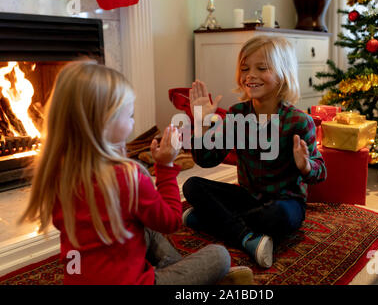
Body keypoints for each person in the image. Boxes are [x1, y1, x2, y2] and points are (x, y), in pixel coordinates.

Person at [19, 61, 253, 285]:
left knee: (145, 225)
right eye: (130, 116)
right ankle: (196, 278)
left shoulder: (59, 173)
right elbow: (171, 221)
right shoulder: (128, 176)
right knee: (219, 256)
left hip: (78, 279)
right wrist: (165, 167)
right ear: (105, 123)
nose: (133, 123)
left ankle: (183, 273)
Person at [182, 35, 327, 268]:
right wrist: (200, 122)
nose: (250, 75)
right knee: (192, 185)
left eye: (261, 68)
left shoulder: (300, 121)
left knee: (276, 216)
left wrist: (305, 165)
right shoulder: (237, 113)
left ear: (283, 74)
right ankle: (247, 237)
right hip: (247, 198)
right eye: (244, 68)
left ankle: (208, 221)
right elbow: (206, 160)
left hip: (285, 203)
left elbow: (320, 173)